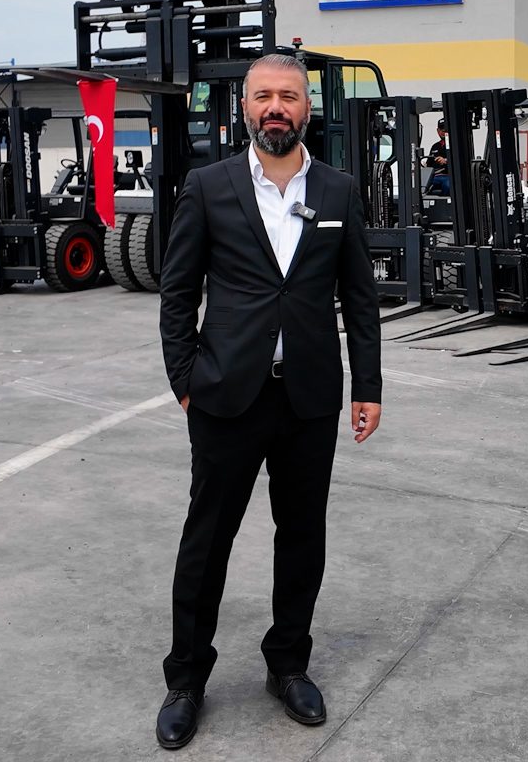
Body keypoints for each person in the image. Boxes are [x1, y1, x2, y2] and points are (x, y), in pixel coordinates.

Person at [154, 52, 383, 751]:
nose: (275, 107)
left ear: (307, 107)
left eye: (288, 96)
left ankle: (288, 664)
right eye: (264, 97)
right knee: (207, 539)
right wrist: (186, 379)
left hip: (309, 397)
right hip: (226, 395)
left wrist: (367, 388)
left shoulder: (339, 190)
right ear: (245, 108)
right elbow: (177, 292)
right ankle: (186, 679)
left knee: (302, 538)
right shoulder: (208, 185)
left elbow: (360, 298)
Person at [425, 118, 451, 197]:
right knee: (419, 184)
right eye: (441, 129)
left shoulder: (455, 145)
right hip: (434, 176)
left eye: (445, 129)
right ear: (438, 131)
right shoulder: (435, 146)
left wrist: (446, 161)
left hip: (448, 176)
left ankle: (445, 205)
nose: (443, 132)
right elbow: (428, 164)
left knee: (448, 185)